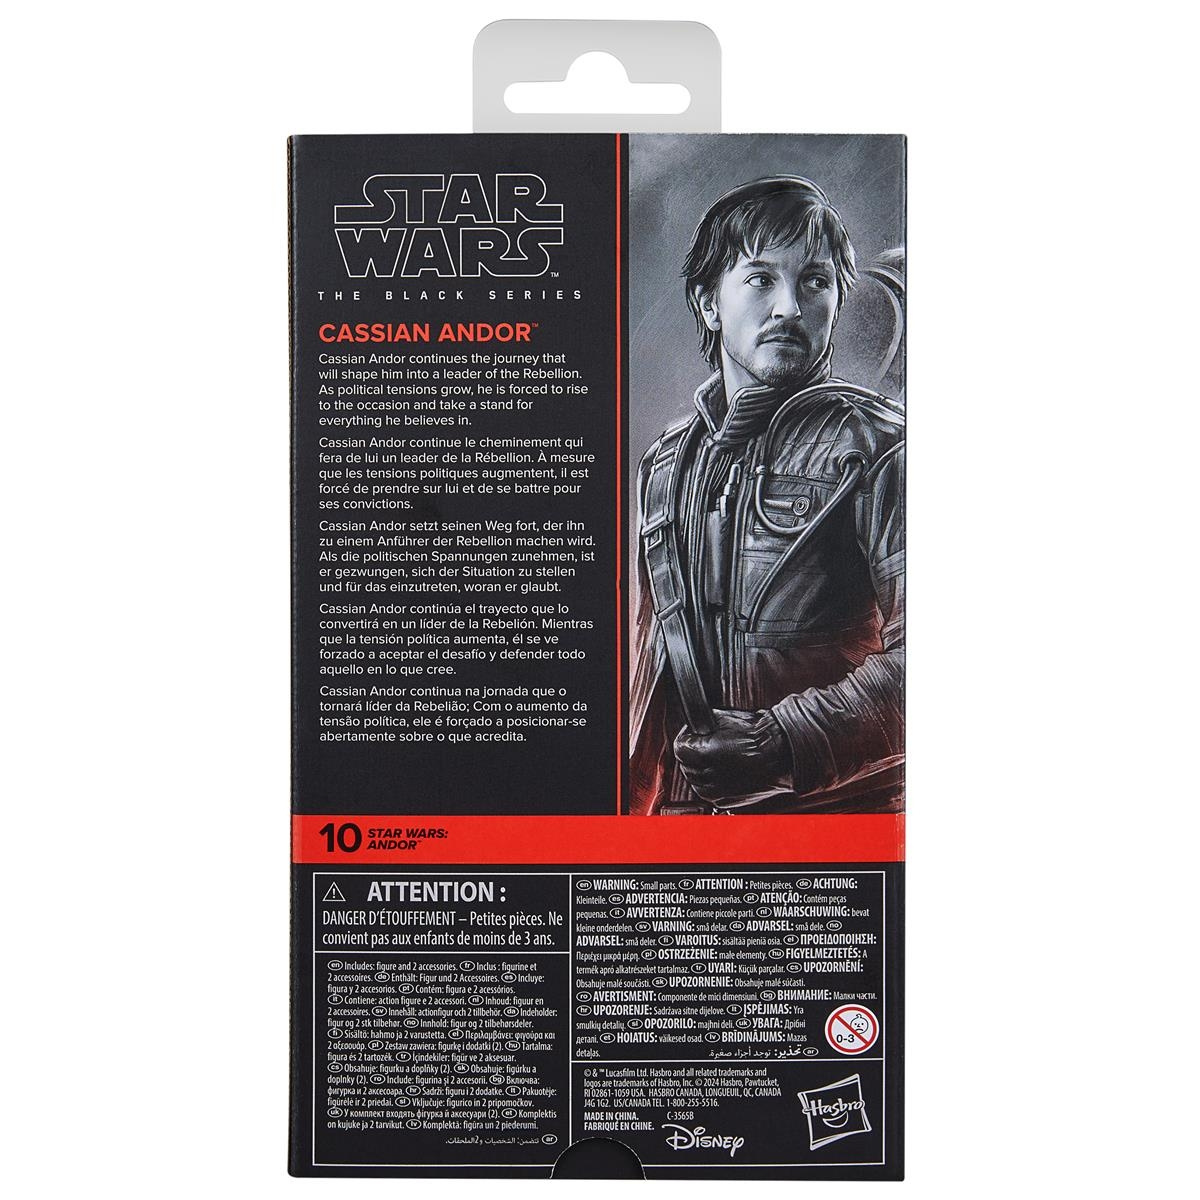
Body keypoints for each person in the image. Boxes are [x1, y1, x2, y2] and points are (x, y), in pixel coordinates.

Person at [629, 176, 904, 815]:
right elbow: (652, 675)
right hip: (684, 834)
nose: (789, 307)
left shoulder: (881, 448)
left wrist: (783, 742)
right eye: (760, 279)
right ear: (709, 303)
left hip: (838, 830)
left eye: (815, 281)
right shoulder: (667, 463)